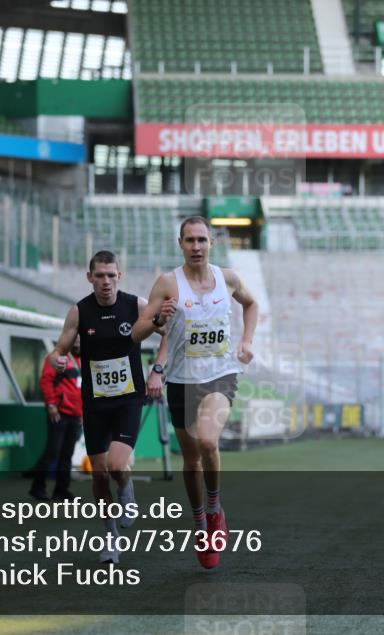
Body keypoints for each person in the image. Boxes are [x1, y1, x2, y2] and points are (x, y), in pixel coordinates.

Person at [132, 216, 258, 569]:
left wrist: (247, 340)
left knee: (206, 442)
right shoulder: (167, 283)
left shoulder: (228, 279)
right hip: (182, 380)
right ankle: (200, 522)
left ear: (211, 243)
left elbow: (251, 304)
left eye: (202, 240)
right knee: (191, 460)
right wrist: (158, 319)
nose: (196, 246)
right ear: (181, 244)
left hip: (220, 375)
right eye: (190, 240)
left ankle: (215, 509)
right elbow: (137, 332)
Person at [47, 250, 165, 564]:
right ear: (90, 277)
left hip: (128, 398)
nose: (106, 282)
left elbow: (168, 332)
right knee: (99, 475)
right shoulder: (79, 311)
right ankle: (110, 537)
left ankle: (126, 488)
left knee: (116, 466)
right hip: (95, 402)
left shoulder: (136, 305)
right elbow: (58, 350)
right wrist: (57, 359)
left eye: (111, 275)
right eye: (99, 275)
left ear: (119, 276)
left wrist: (157, 370)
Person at [29, 336, 84, 502]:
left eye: (80, 339)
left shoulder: (83, 359)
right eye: (75, 339)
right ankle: (37, 487)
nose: (77, 342)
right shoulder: (56, 358)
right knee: (52, 452)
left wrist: (82, 413)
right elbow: (46, 381)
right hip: (59, 413)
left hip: (76, 415)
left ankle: (61, 490)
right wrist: (51, 405)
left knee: (67, 454)